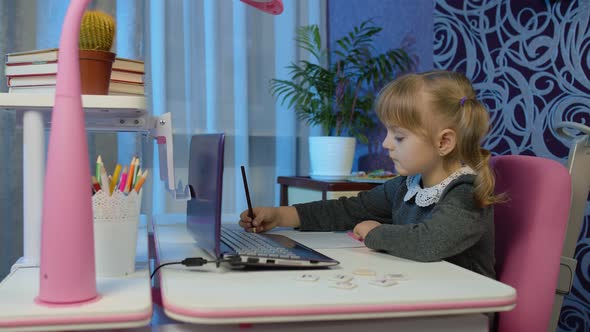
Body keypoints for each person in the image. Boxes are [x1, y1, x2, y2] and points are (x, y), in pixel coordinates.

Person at [238, 70, 502, 281]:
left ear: (444, 142)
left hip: (465, 308)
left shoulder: (466, 192)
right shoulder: (408, 185)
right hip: (423, 289)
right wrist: (282, 215)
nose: (386, 143)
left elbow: (430, 242)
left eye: (399, 136)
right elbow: (352, 209)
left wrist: (376, 232)